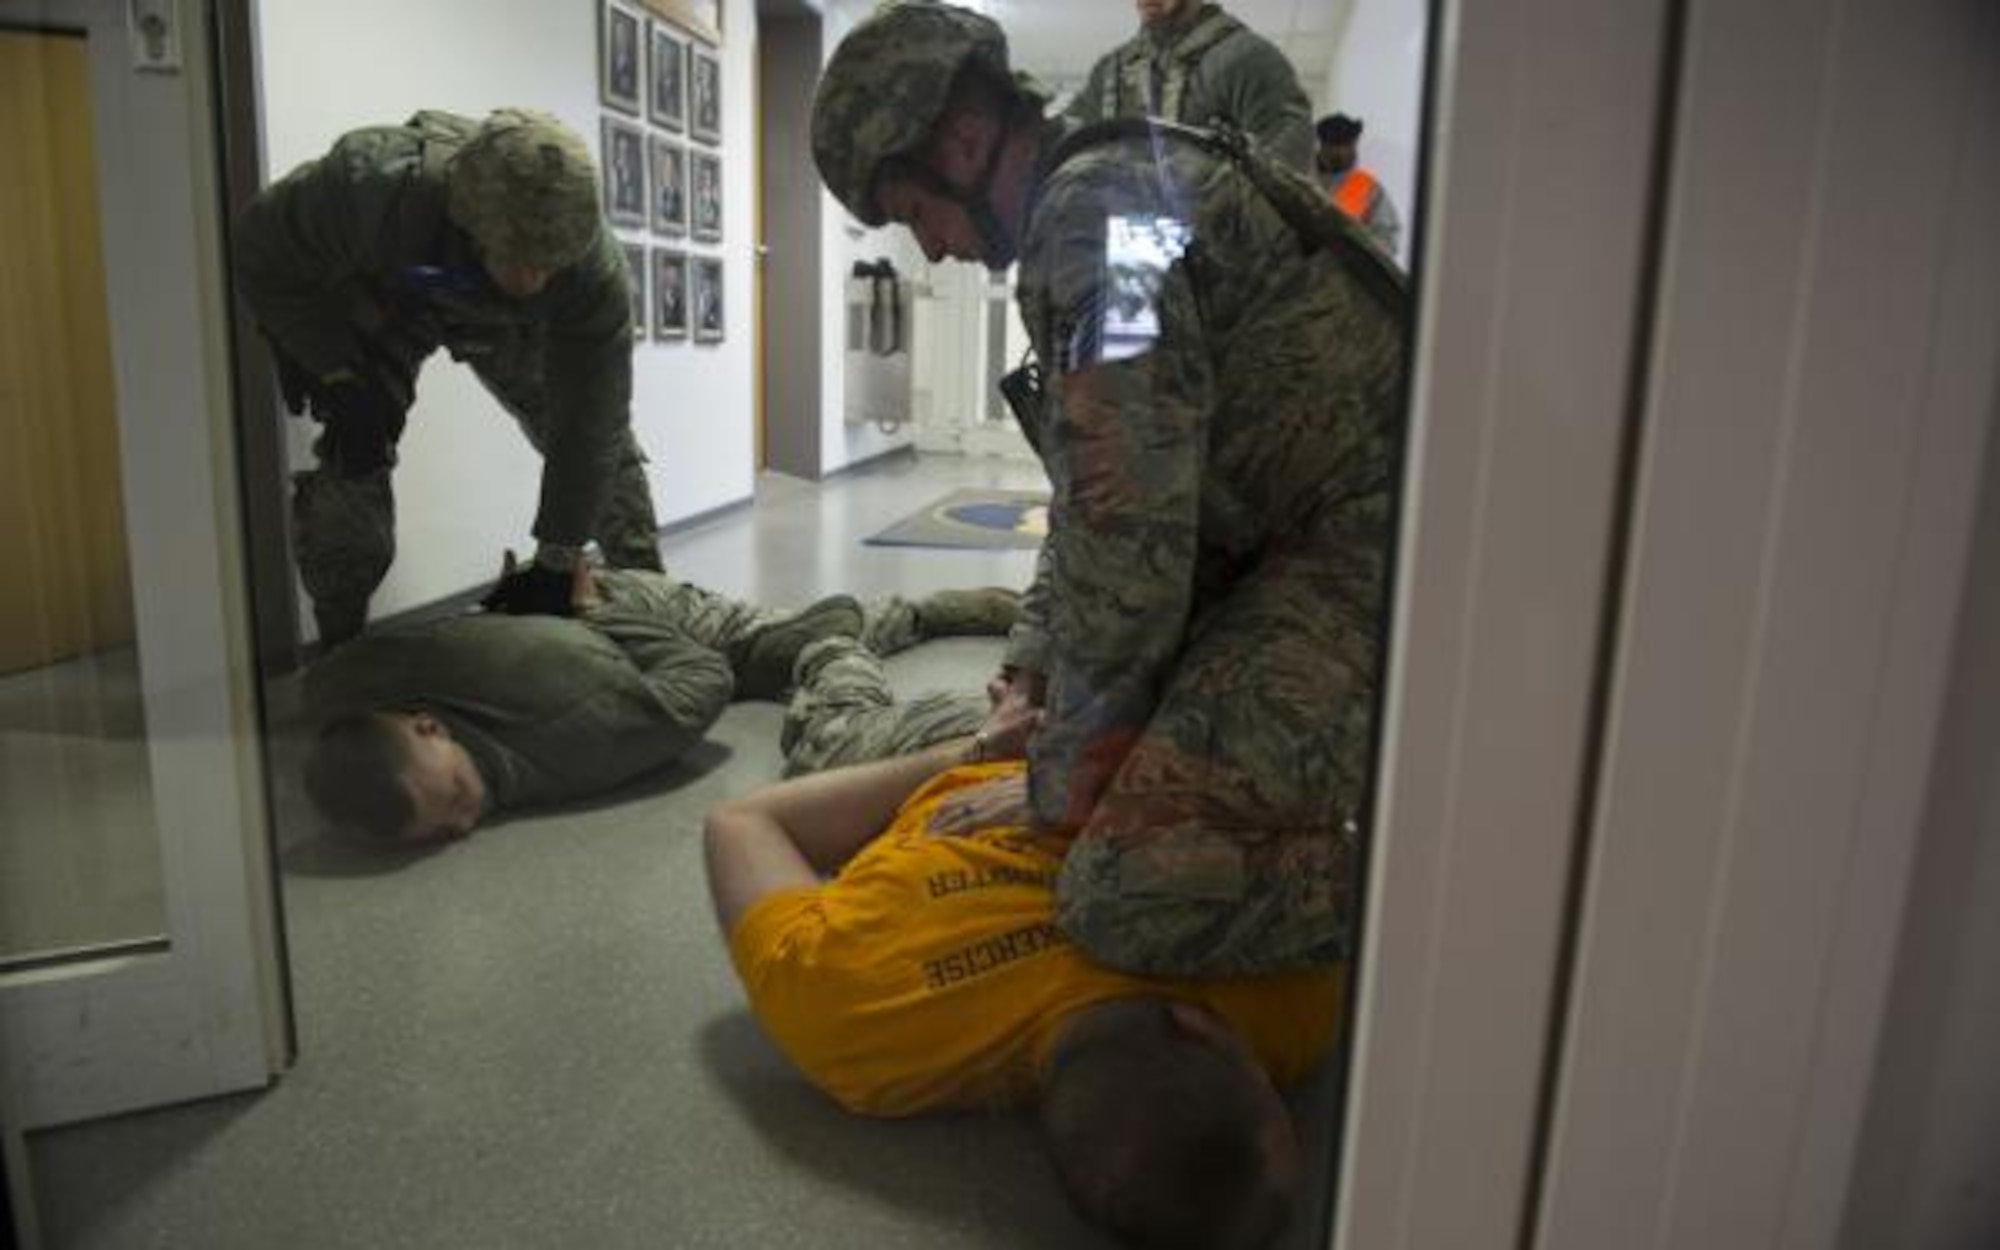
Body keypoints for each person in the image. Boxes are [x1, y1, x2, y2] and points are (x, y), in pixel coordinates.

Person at [812, 2, 1408, 977]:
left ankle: (1419, 858)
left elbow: (1129, 536)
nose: (929, 250)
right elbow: (1099, 494)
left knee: (1118, 889)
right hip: (1315, 536)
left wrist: (1056, 782)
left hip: (1375, 553)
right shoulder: (1111, 194)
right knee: (1106, 740)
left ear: (962, 142)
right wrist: (1033, 666)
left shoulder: (1095, 224)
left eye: (916, 213)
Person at [703, 728, 1340, 1249]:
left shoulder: (1287, 1003)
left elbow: (740, 818)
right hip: (1074, 739)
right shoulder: (848, 1024)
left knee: (838, 699)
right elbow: (743, 822)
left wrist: (977, 749)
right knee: (837, 713)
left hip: (1040, 740)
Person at [235, 108, 660, 645]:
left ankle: (655, 621)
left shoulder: (588, 272)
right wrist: (335, 368)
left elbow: (591, 422)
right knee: (353, 466)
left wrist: (558, 554)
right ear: (468, 219)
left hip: (507, 323)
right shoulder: (372, 187)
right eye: (518, 258)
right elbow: (260, 257)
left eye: (547, 265)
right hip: (382, 310)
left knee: (609, 458)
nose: (533, 279)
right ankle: (340, 656)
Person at [303, 563, 1020, 845]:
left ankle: (921, 613)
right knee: (790, 640)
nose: (465, 826)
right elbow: (325, 682)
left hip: (646, 618)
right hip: (563, 622)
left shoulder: (587, 724)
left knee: (787, 651)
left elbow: (701, 675)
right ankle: (910, 613)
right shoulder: (359, 694)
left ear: (428, 724)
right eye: (441, 827)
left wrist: (593, 611)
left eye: (457, 795)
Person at [1063, 0, 1314, 173]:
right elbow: (1068, 146)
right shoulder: (1110, 72)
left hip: (1223, 241)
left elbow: (1290, 158)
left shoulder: (1246, 57)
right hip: (1121, 238)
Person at [1316, 112, 1401, 256]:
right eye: (1336, 145)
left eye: (1348, 144)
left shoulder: (1368, 187)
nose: (1342, 152)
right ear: (1323, 145)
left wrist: (1358, 248)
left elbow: (1388, 240)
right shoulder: (1302, 175)